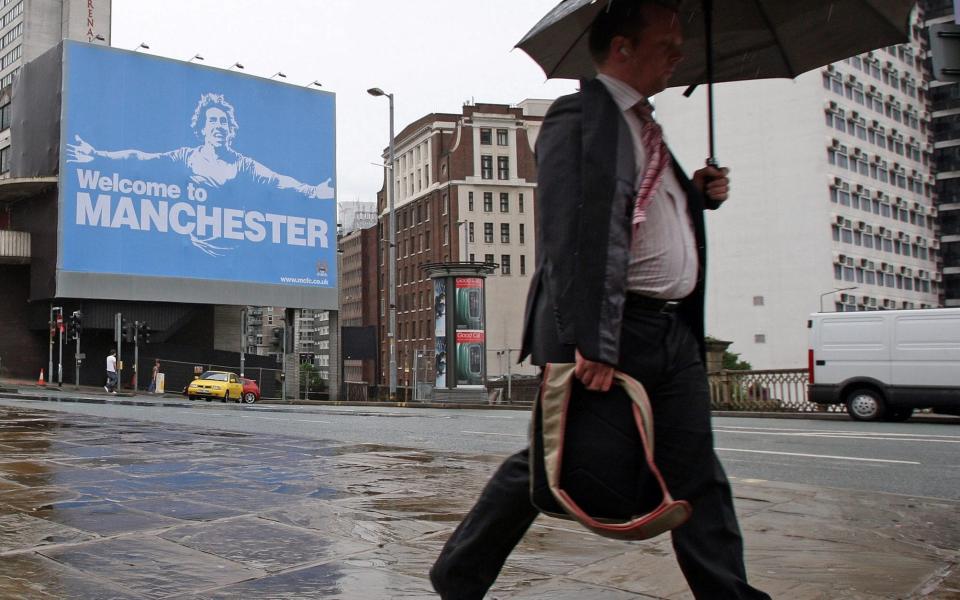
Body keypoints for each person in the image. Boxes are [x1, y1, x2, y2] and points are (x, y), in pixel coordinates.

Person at [430, 2, 771, 599]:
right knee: (551, 465)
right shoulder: (579, 116)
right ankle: (459, 575)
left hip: (672, 334)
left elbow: (643, 218)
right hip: (617, 328)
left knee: (699, 474)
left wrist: (696, 197)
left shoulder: (648, 129)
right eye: (666, 45)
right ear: (621, 47)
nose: (678, 56)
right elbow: (571, 230)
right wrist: (594, 337)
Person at [65, 93, 334, 199]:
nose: (218, 126)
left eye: (223, 122)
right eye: (212, 120)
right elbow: (141, 157)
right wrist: (98, 156)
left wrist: (313, 190)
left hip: (234, 253)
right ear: (202, 128)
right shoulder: (185, 157)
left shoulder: (244, 164)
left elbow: (278, 180)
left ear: (230, 130)